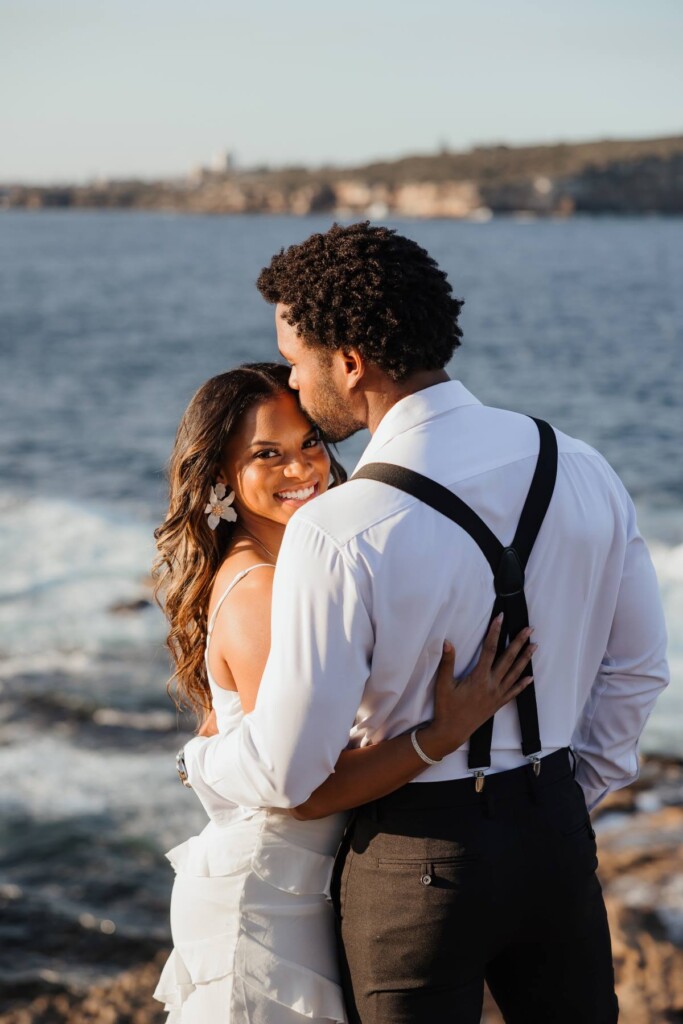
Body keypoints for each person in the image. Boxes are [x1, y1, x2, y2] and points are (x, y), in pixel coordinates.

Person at [180, 224, 668, 1024]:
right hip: (553, 835)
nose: (295, 386)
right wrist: (559, 797)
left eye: (297, 363)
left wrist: (202, 759)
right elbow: (639, 669)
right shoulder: (580, 464)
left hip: (414, 860)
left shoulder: (340, 528)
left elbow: (290, 775)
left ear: (349, 363)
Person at [151, 362, 535, 1023]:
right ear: (220, 476)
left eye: (308, 445)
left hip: (305, 888)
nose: (302, 470)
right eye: (266, 455)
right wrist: (437, 737)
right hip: (272, 900)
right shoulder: (265, 589)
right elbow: (306, 788)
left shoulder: (289, 568)